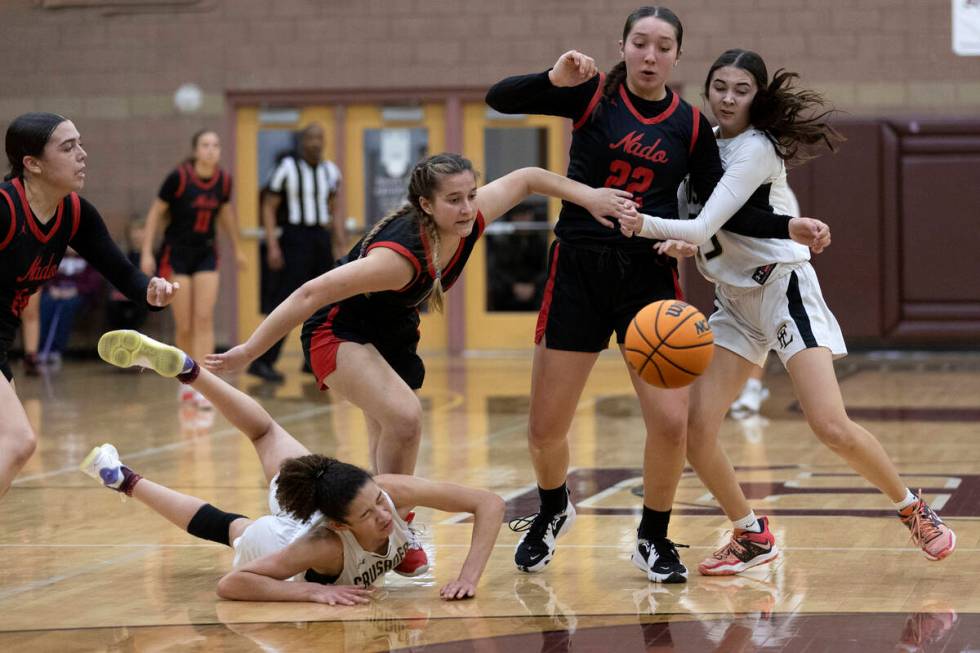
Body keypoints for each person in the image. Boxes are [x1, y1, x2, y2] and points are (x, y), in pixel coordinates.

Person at [484, 5, 829, 583]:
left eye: (662, 46)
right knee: (546, 428)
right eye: (640, 43)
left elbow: (731, 209)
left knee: (671, 424)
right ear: (622, 46)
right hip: (578, 268)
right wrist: (552, 79)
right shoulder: (591, 95)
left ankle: (653, 535)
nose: (650, 55)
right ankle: (551, 509)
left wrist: (786, 226)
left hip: (648, 275)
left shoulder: (691, 127)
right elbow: (500, 97)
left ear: (676, 56)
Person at [205, 153, 635, 574]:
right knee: (405, 419)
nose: (467, 207)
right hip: (336, 331)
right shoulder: (397, 259)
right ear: (426, 205)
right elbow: (310, 294)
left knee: (390, 434)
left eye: (470, 194)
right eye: (454, 199)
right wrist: (249, 350)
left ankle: (377, 532)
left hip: (390, 329)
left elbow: (527, 177)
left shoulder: (467, 217)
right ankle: (397, 531)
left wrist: (590, 197)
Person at [620, 48, 956, 574]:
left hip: (781, 289)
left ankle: (913, 508)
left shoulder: (754, 148)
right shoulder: (705, 146)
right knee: (695, 429)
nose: (728, 98)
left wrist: (634, 221)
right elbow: (731, 221)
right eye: (720, 87)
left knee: (829, 425)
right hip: (732, 302)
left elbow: (708, 224)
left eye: (741, 89)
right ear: (706, 90)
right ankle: (750, 534)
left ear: (757, 97)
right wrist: (690, 244)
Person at [82, 329, 507, 603]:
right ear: (340, 525)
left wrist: (468, 577)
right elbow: (232, 585)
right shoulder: (321, 546)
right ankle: (124, 481)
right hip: (282, 540)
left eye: (379, 502)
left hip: (317, 496)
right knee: (237, 529)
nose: (384, 513)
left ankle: (189, 371)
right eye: (369, 513)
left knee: (265, 431)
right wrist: (308, 593)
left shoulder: (388, 491)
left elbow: (488, 503)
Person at [0, 112, 177, 503]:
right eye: (67, 147)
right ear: (32, 164)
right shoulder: (5, 208)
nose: (82, 154)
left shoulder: (75, 213)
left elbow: (123, 274)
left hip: (3, 338)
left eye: (79, 143)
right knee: (18, 442)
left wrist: (152, 291)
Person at [140, 129, 245, 405]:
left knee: (204, 318)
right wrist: (146, 251)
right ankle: (185, 379)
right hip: (177, 254)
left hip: (206, 253)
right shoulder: (178, 177)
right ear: (196, 150)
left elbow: (225, 214)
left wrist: (238, 248)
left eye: (216, 145)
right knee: (185, 323)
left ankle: (206, 384)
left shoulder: (223, 181)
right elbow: (155, 213)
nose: (211, 150)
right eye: (206, 145)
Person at [249, 123, 345, 383]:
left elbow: (334, 209)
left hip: (320, 239)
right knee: (286, 302)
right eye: (311, 138)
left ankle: (311, 361)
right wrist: (272, 244)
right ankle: (262, 362)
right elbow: (268, 207)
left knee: (326, 301)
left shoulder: (330, 171)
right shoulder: (287, 169)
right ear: (302, 142)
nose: (315, 142)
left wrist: (339, 244)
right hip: (294, 238)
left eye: (320, 137)